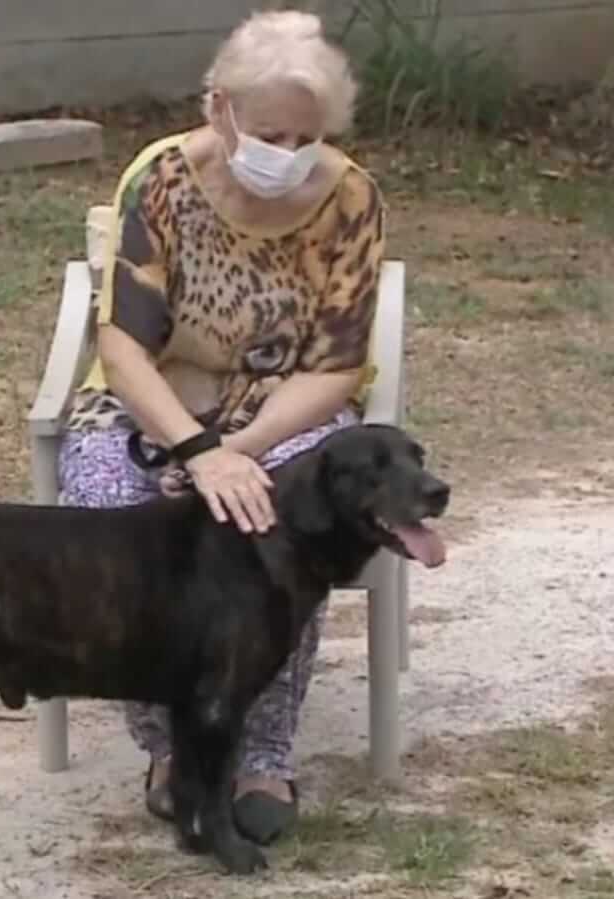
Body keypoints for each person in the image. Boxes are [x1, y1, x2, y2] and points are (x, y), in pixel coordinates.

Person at [56, 9, 386, 846]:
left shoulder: (350, 199)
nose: (291, 151)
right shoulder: (161, 179)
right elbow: (123, 344)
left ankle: (261, 753)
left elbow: (337, 365)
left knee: (294, 520)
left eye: (307, 136)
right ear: (218, 109)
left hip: (282, 409)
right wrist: (195, 451)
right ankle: (173, 747)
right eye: (271, 131)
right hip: (154, 405)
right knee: (108, 509)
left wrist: (239, 452)